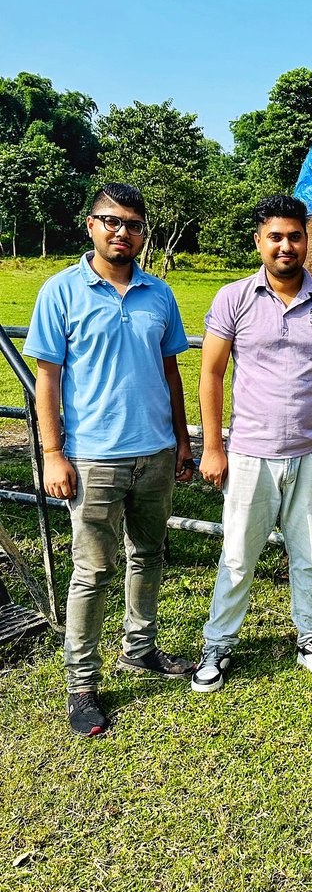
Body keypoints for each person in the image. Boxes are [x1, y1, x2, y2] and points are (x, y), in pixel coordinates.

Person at [24, 182, 195, 737]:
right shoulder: (60, 291)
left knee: (148, 554)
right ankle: (81, 684)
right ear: (91, 225)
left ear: (145, 233)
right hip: (92, 456)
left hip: (156, 452)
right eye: (111, 221)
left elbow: (172, 373)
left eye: (134, 223)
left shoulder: (160, 294)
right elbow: (44, 380)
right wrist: (52, 453)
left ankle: (139, 649)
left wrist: (183, 441)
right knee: (93, 571)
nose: (123, 232)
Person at [191, 194, 312, 692]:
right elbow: (212, 372)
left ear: (307, 240)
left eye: (295, 236)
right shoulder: (234, 298)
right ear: (259, 242)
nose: (286, 246)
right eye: (276, 237)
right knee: (239, 556)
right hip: (248, 454)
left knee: (309, 554)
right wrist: (213, 446)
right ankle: (217, 646)